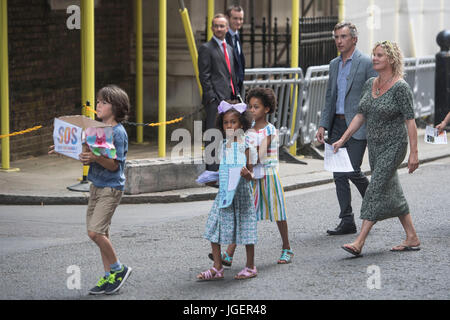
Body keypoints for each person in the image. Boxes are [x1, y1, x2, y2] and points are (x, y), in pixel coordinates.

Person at [332, 41, 421, 256]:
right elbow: (361, 115)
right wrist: (343, 139)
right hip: (375, 147)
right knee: (392, 191)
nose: (374, 58)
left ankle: (359, 242)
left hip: (394, 146)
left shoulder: (400, 87)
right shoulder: (371, 83)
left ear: (391, 59)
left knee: (376, 189)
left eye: (379, 55)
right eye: (374, 54)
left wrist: (414, 154)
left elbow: (410, 121)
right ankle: (412, 236)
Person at [50, 85, 132, 295]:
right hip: (96, 186)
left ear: (116, 107)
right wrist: (62, 148)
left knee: (94, 232)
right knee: (101, 233)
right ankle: (109, 276)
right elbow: (85, 152)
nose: (98, 105)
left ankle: (118, 269)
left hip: (111, 188)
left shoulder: (118, 133)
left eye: (103, 102)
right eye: (98, 101)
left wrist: (96, 158)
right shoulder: (96, 129)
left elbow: (115, 165)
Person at [210, 88, 293, 266]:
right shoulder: (245, 132)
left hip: (268, 176)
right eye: (250, 107)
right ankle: (229, 254)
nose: (252, 110)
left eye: (256, 107)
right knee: (245, 215)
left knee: (278, 214)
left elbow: (259, 155)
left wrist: (244, 155)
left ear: (267, 109)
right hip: (250, 178)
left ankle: (287, 247)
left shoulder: (270, 130)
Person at [316, 22, 378, 235]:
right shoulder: (334, 64)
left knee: (352, 170)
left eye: (343, 36)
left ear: (354, 39)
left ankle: (375, 201)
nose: (339, 41)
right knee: (338, 175)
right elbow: (329, 97)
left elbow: (373, 95)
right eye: (336, 37)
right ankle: (347, 220)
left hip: (358, 125)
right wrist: (323, 124)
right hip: (336, 124)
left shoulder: (367, 63)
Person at [197, 100, 258, 281]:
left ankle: (250, 266)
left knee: (246, 230)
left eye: (233, 122)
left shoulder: (246, 145)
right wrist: (213, 179)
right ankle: (217, 267)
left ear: (242, 124)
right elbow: (225, 170)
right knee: (214, 226)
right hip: (224, 194)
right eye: (226, 122)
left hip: (241, 194)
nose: (229, 126)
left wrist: (247, 174)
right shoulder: (224, 144)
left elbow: (251, 175)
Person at [198, 13, 240, 172]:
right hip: (215, 101)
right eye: (216, 26)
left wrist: (235, 96)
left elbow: (231, 74)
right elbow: (205, 76)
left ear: (227, 28)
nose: (219, 29)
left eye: (222, 26)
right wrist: (211, 99)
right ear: (211, 28)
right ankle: (211, 171)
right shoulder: (206, 49)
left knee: (227, 136)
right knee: (213, 136)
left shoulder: (229, 48)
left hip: (230, 100)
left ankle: (224, 169)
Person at [225, 5, 246, 95]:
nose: (238, 22)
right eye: (235, 18)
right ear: (227, 18)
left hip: (237, 88)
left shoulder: (237, 36)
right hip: (226, 89)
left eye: (241, 19)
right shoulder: (223, 37)